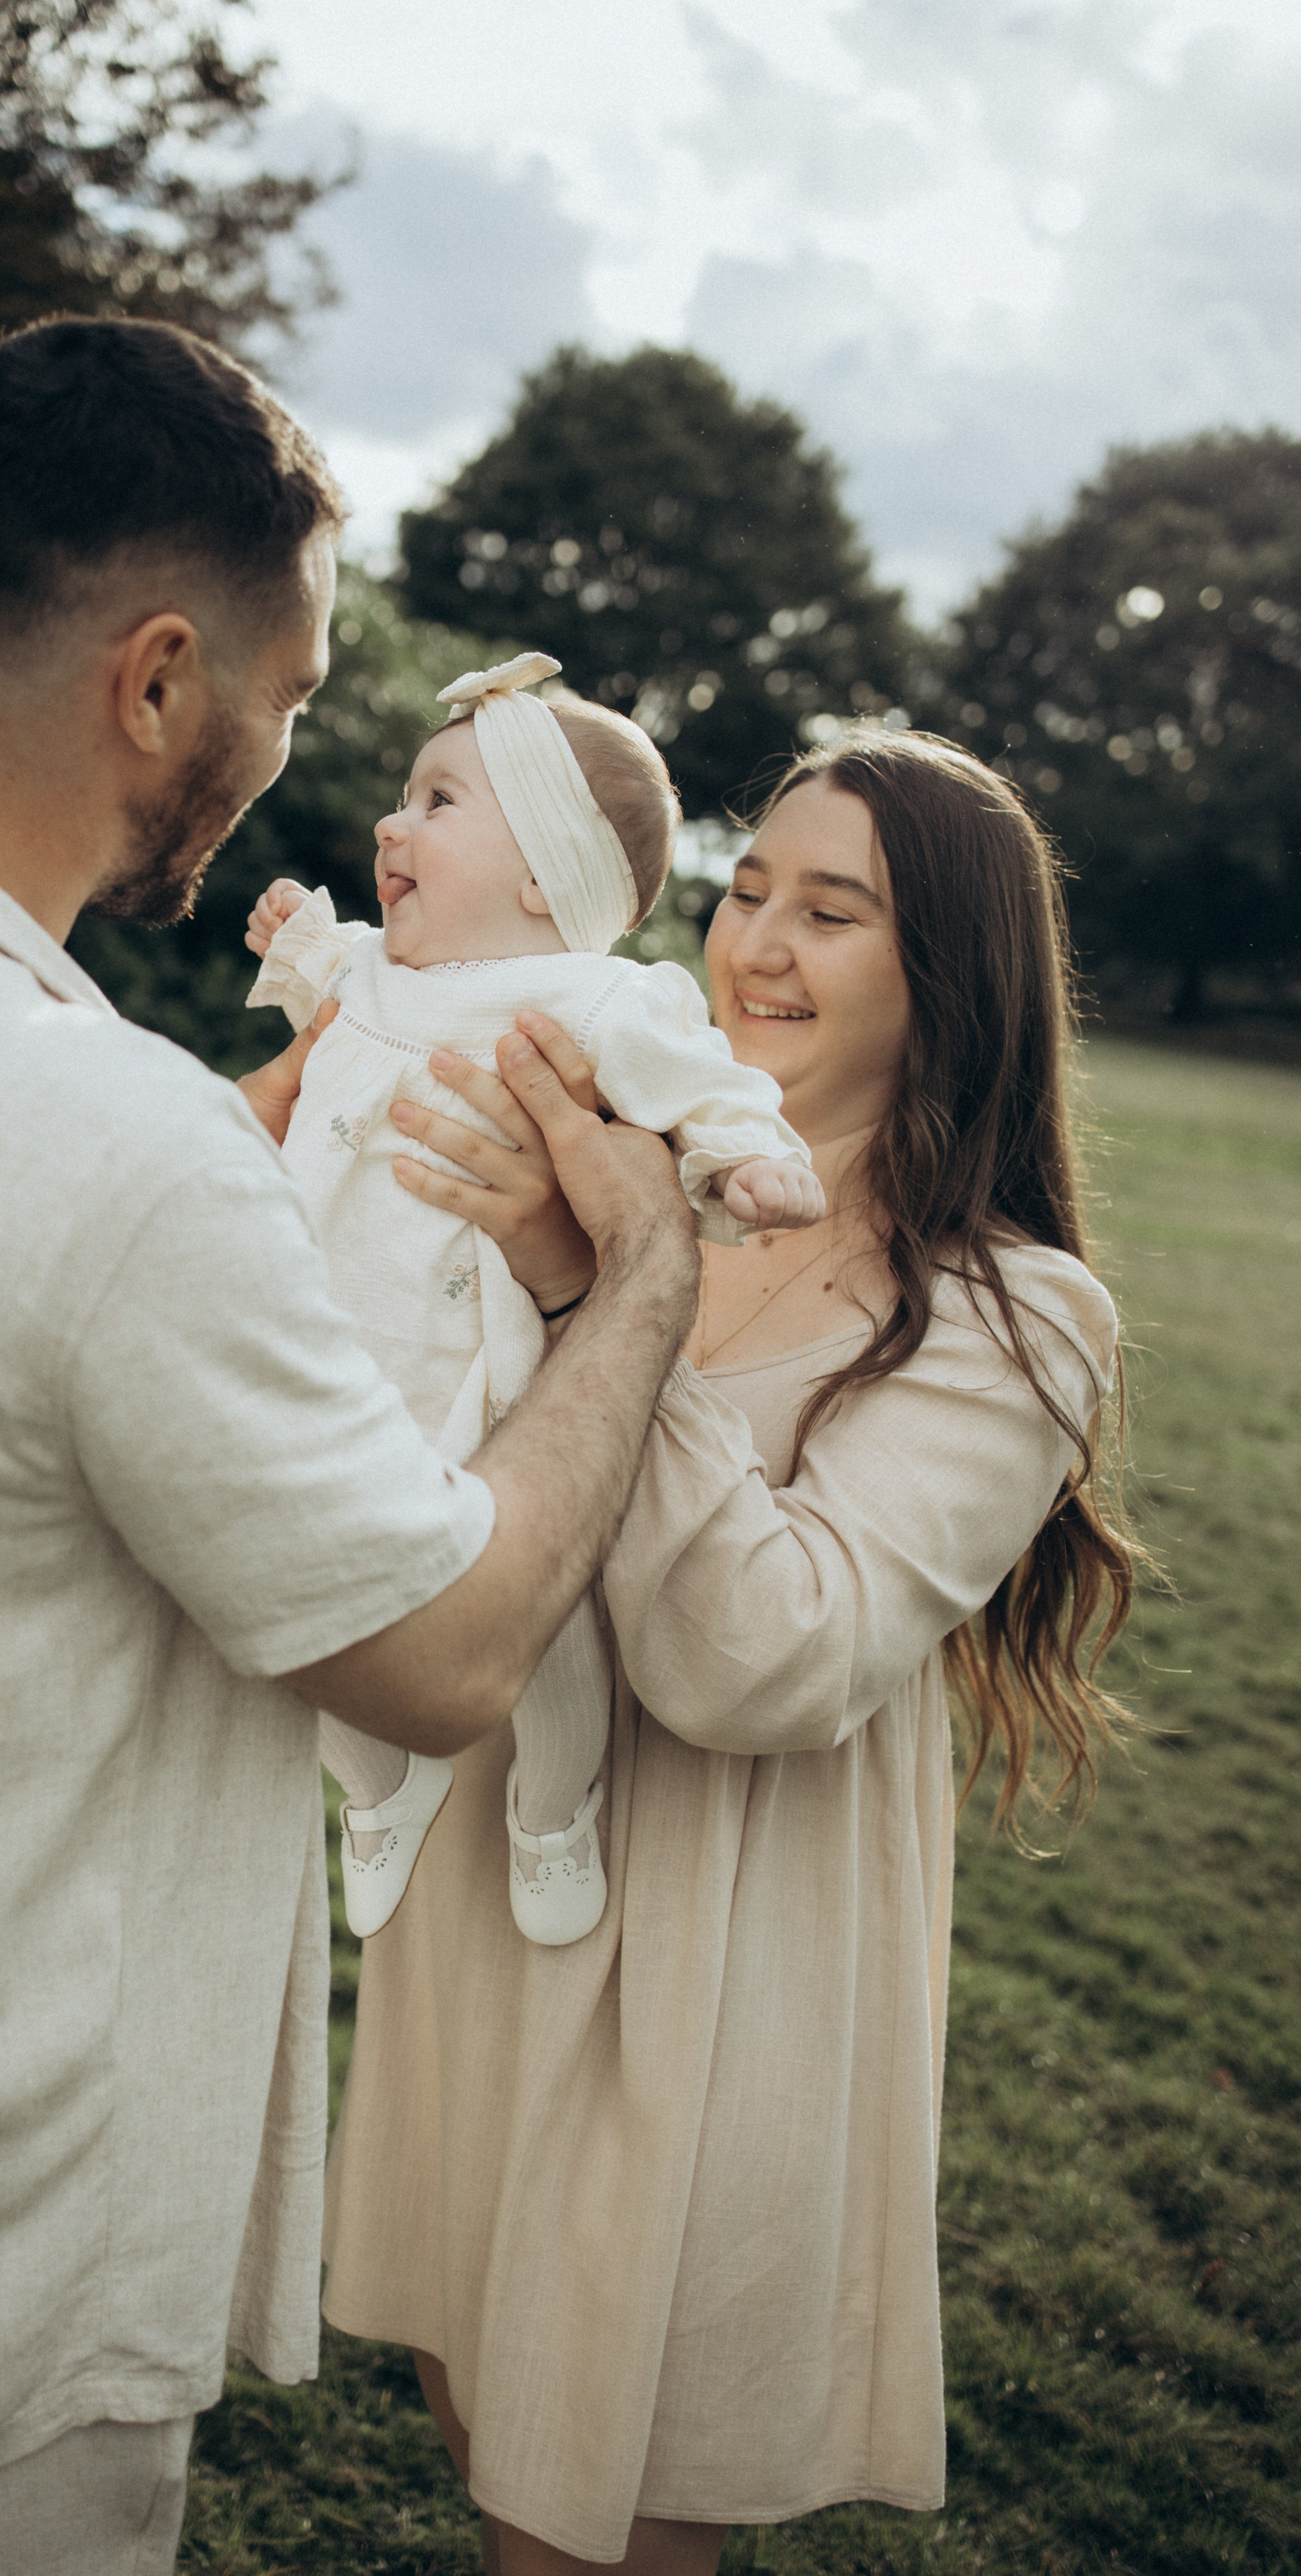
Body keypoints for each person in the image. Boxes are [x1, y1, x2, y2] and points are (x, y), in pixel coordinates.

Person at [0, 318, 702, 2576]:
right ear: (160, 678)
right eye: (290, 711)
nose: (289, 773)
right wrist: (643, 1292)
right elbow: (449, 1650)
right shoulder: (122, 1149)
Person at [321, 727, 1142, 2575]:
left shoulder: (1015, 1313)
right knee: (482, 2424)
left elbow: (763, 1663)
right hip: (499, 1911)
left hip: (717, 1964)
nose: (755, 946)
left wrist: (599, 1291)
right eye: (747, 889)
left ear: (953, 972)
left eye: (831, 912)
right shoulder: (634, 1163)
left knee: (601, 2519)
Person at [242, 650, 816, 1945]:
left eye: (438, 803)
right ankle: (379, 1792)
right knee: (317, 1605)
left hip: (484, 1367)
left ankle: (554, 1809)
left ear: (546, 877)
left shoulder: (596, 997)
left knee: (535, 1617)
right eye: (403, 797)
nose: (393, 822)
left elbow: (701, 1084)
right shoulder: (378, 976)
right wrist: (295, 937)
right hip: (330, 1349)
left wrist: (749, 1158)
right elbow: (319, 982)